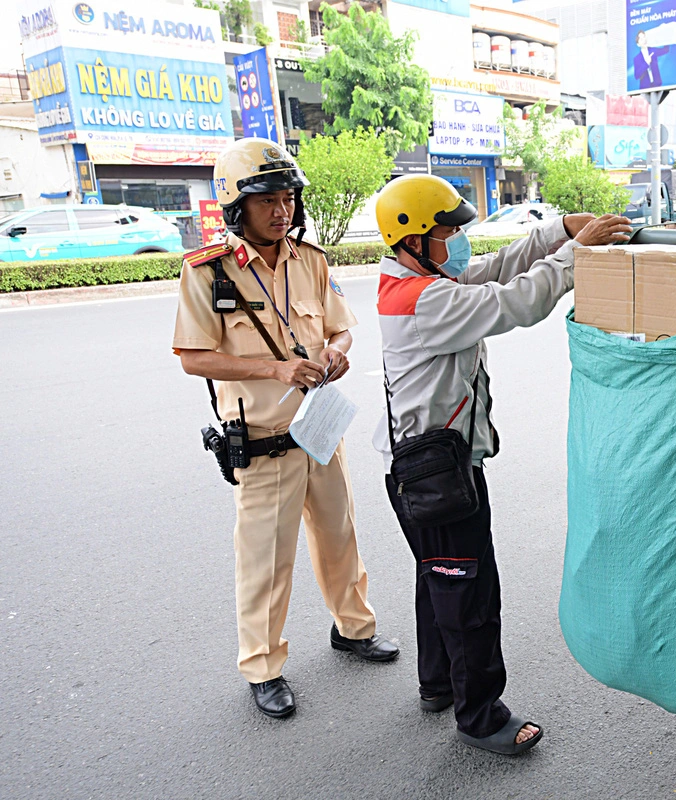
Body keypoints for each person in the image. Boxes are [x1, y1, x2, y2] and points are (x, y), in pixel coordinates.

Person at [372, 174, 632, 754]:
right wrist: (576, 255)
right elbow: (516, 300)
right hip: (435, 472)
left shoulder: (418, 278)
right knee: (468, 588)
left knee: (439, 577)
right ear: (413, 239)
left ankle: (439, 683)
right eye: (449, 231)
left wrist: (558, 231)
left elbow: (496, 269)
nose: (461, 240)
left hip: (419, 465)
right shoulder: (426, 298)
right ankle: (481, 716)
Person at [172, 138, 398, 719]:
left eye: (288, 199)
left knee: (340, 535)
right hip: (265, 442)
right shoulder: (208, 273)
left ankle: (353, 628)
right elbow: (194, 357)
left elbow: (341, 329)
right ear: (235, 206)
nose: (282, 211)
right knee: (267, 562)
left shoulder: (311, 261)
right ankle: (263, 666)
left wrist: (339, 352)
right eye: (267, 200)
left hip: (318, 429)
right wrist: (273, 367)